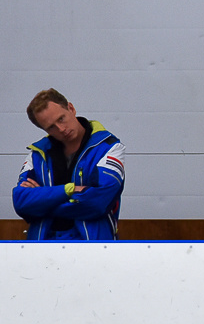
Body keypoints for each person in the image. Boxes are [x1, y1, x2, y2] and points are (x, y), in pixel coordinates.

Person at [13, 89, 125, 240]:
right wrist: (69, 190)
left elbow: (98, 203)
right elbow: (21, 203)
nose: (61, 129)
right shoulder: (37, 154)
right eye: (51, 127)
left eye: (61, 119)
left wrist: (44, 203)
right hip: (42, 248)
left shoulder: (108, 147)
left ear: (71, 108)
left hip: (93, 247)